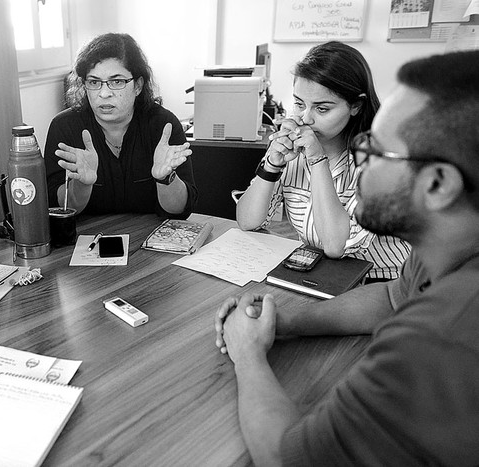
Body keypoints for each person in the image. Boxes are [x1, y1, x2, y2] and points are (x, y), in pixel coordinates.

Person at [215, 49, 479, 466]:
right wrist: (285, 322)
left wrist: (247, 352)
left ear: (438, 183)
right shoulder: (438, 256)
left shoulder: (440, 338)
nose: (361, 161)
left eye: (377, 151)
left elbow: (289, 458)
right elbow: (393, 297)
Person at [236, 41, 410, 280]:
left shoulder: (379, 160)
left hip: (384, 279)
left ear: (356, 106)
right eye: (299, 104)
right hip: (322, 272)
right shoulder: (291, 146)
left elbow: (335, 245)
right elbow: (247, 221)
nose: (305, 118)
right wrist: (272, 165)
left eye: (322, 109)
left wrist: (318, 160)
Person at [44, 33, 197, 218]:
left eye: (116, 81)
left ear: (138, 85)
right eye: (94, 82)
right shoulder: (65, 127)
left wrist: (165, 179)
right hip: (85, 240)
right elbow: (56, 208)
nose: (104, 93)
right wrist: (82, 185)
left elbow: (181, 210)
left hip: (149, 237)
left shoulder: (163, 126)